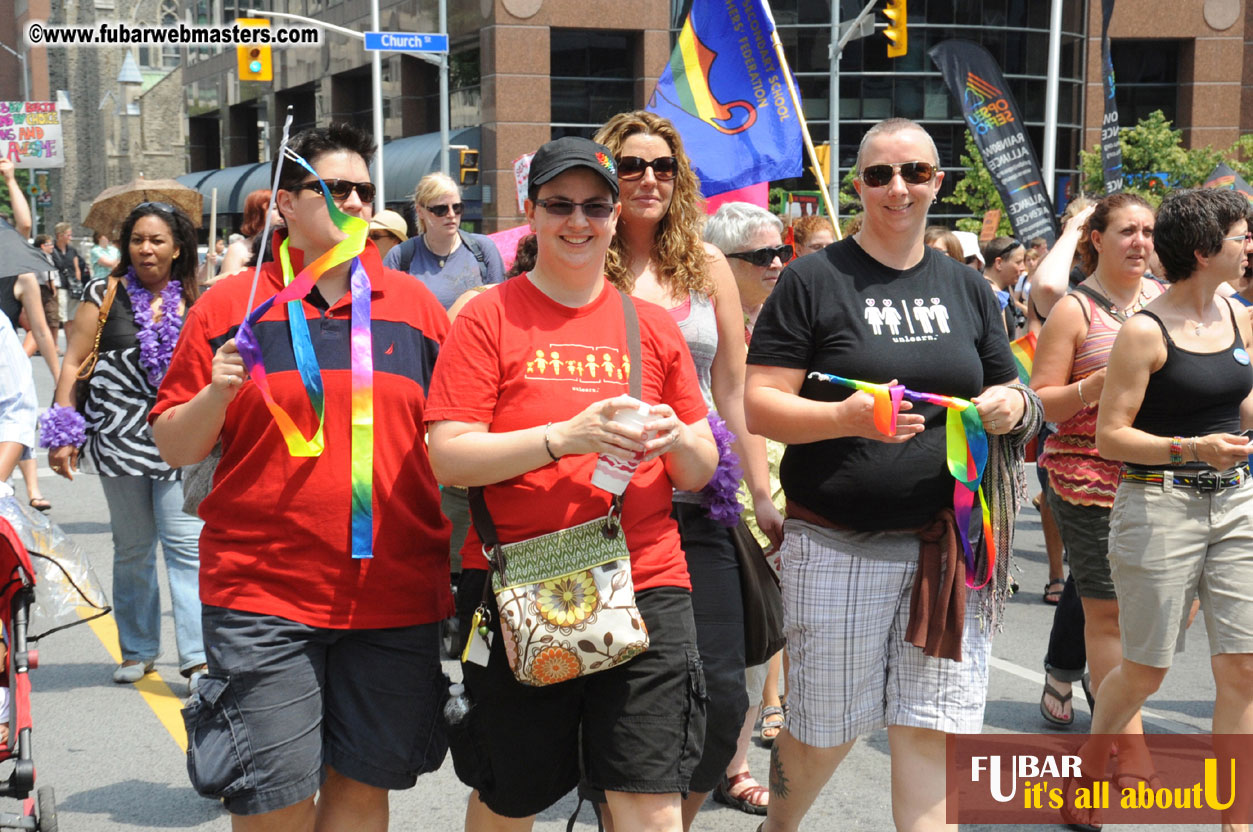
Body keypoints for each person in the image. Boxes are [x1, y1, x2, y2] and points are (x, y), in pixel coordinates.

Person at [151, 123, 453, 831]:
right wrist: (215, 392)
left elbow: (457, 439)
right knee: (273, 802)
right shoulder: (232, 307)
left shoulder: (414, 306)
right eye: (335, 188)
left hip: (393, 595)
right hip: (264, 595)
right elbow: (172, 444)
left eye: (366, 190)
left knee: (361, 792)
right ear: (287, 202)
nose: (354, 200)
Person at [744, 117, 1041, 832]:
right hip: (838, 547)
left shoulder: (965, 290)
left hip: (950, 549)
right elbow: (759, 405)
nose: (897, 188)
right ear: (857, 185)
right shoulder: (813, 280)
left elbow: (1015, 390)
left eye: (913, 172)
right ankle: (777, 825)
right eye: (878, 174)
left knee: (930, 733)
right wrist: (846, 419)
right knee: (821, 733)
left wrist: (1009, 404)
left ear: (937, 182)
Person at [426, 135, 717, 832]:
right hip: (520, 581)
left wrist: (677, 438)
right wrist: (567, 437)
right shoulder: (487, 316)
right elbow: (448, 457)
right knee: (513, 796)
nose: (577, 221)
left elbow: (702, 465)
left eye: (594, 206)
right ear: (531, 211)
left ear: (616, 216)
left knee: (649, 796)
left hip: (644, 579)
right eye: (559, 205)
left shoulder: (649, 325)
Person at [593, 111, 782, 823]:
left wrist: (760, 493)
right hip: (602, 500)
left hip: (700, 495)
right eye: (630, 166)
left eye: (662, 167)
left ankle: (676, 815)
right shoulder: (584, 254)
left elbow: (732, 391)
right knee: (616, 687)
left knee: (723, 693)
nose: (648, 179)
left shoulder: (705, 267)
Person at [1065, 187, 1253, 830]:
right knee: (1145, 668)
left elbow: (1239, 405)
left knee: (1245, 667)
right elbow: (1110, 436)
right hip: (1158, 506)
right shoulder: (1144, 331)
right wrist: (1193, 447)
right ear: (1204, 251)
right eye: (1240, 237)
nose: (1249, 247)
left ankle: (1235, 816)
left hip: (1237, 507)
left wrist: (1235, 436)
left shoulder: (1240, 316)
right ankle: (1092, 767)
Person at [43, 202, 206, 688]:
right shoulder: (102, 293)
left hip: (180, 435)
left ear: (177, 248)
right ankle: (137, 651)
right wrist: (63, 433)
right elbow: (72, 363)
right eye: (138, 240)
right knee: (133, 547)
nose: (146, 249)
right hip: (118, 440)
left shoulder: (196, 299)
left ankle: (196, 657)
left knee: (185, 547)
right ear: (125, 246)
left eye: (157, 240)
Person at [1032, 193, 1163, 730]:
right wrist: (1093, 386)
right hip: (1084, 472)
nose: (1140, 243)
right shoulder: (1073, 308)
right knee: (1106, 611)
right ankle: (1123, 745)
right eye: (1127, 231)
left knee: (1160, 612)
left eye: (1149, 232)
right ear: (1097, 239)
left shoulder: (1166, 298)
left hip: (1160, 470)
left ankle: (1086, 679)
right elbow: (1041, 401)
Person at [703, 201, 793, 803]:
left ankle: (734, 767)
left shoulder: (785, 320)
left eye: (781, 251)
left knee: (756, 637)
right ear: (717, 261)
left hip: (774, 495)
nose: (777, 265)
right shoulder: (698, 321)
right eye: (761, 256)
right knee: (708, 646)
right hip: (707, 492)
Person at [0, 162, 58, 513]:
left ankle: (29, 488)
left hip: (7, 362)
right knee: (15, 418)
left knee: (15, 420)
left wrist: (60, 380)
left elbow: (42, 332)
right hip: (7, 365)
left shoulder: (19, 276)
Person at [383, 172, 505, 309]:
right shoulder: (399, 256)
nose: (451, 215)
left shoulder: (483, 249)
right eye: (441, 209)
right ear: (420, 211)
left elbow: (499, 308)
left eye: (457, 207)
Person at [216, 189, 281, 279]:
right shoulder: (238, 249)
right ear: (257, 213)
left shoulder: (290, 243)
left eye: (281, 208)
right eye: (274, 208)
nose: (281, 213)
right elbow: (225, 285)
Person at [982, 236, 1025, 338]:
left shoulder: (983, 290)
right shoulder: (994, 296)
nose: (1023, 268)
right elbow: (1001, 345)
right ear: (999, 263)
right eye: (1018, 262)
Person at [51, 222, 82, 339]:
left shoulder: (72, 250)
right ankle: (56, 345)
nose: (71, 237)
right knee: (62, 317)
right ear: (60, 235)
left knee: (71, 317)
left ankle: (70, 344)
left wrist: (78, 284)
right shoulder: (53, 250)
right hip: (60, 287)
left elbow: (77, 268)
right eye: (68, 235)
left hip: (72, 288)